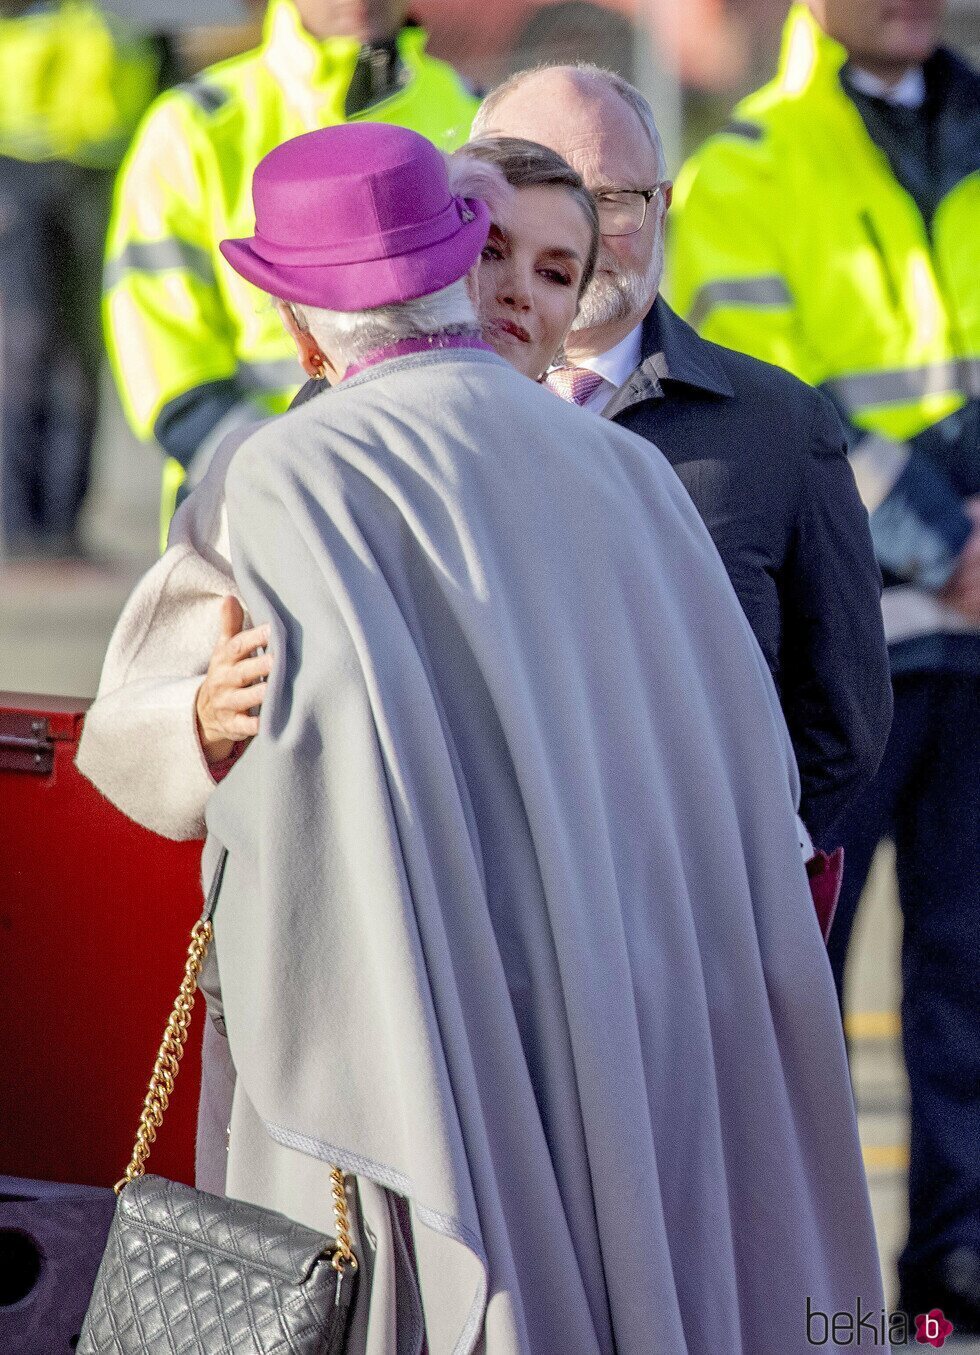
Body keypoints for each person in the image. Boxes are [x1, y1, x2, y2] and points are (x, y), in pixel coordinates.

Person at [79, 121, 886, 1352]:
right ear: (452, 268)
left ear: (298, 323)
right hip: (619, 994)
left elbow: (153, 743)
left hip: (403, 1014)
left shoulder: (282, 472)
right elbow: (750, 772)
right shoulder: (621, 471)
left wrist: (192, 722)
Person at [664, 0, 980, 1328]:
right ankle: (798, 1273)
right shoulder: (746, 162)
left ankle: (955, 1266)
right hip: (845, 636)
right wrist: (947, 533)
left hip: (975, 630)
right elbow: (774, 404)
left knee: (972, 969)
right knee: (799, 971)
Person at [76, 135, 600, 832]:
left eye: (558, 275)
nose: (516, 293)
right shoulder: (266, 474)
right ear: (455, 277)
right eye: (492, 252)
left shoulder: (607, 471)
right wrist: (201, 715)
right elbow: (130, 729)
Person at [472, 63, 892, 851]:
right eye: (539, 195)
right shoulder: (388, 414)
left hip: (687, 937)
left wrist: (730, 873)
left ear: (662, 207)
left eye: (612, 200)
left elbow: (844, 719)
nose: (581, 233)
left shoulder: (780, 429)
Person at [103, 0, 478, 550]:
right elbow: (168, 364)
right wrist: (287, 474)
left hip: (449, 502)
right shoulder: (194, 127)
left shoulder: (481, 116)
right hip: (253, 508)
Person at [0, 0, 164, 559]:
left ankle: (62, 526)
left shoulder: (118, 19)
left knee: (81, 353)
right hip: (19, 171)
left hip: (99, 171)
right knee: (23, 347)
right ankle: (18, 525)